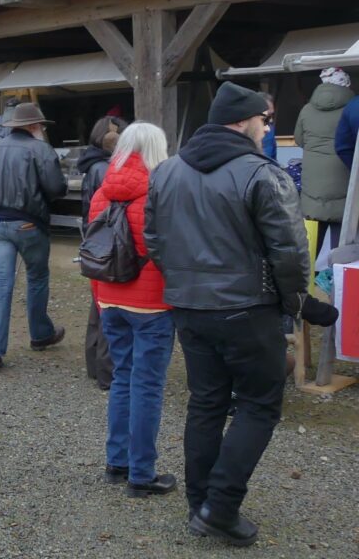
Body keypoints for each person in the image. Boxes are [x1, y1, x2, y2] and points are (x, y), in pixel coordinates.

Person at [145, 81, 308, 546]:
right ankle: (218, 506)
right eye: (265, 119)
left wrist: (183, 282)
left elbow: (154, 238)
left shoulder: (167, 171)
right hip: (245, 308)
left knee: (207, 402)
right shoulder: (261, 173)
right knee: (258, 405)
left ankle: (201, 503)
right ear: (242, 121)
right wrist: (295, 304)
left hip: (190, 306)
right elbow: (289, 251)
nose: (267, 128)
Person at [88, 122, 176, 499]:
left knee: (123, 378)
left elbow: (93, 248)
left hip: (111, 299)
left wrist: (100, 298)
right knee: (147, 385)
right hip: (153, 304)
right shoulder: (163, 193)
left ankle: (117, 461)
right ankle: (142, 473)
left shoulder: (102, 192)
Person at [0, 102, 67, 372]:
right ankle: (40, 333)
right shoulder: (41, 149)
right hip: (28, 221)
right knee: (36, 277)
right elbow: (57, 188)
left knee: (0, 283)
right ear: (34, 126)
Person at [78, 116, 125, 391]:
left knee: (97, 305)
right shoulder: (105, 168)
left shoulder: (91, 164)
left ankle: (95, 364)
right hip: (106, 240)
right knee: (107, 305)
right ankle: (107, 371)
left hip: (93, 239)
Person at [295, 68, 352, 268]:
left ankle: (304, 282)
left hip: (313, 185)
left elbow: (299, 139)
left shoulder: (306, 109)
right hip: (343, 180)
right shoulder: (352, 108)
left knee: (309, 246)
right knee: (341, 248)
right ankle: (336, 282)